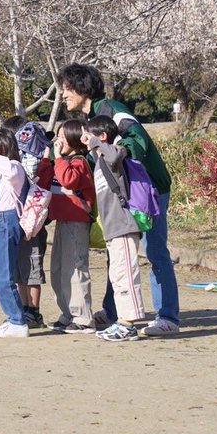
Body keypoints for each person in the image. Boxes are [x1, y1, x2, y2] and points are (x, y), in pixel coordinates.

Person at [58, 63, 179, 337]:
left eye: (66, 89)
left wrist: (118, 152)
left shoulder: (112, 109)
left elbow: (137, 138)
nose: (63, 95)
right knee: (119, 251)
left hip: (147, 188)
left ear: (82, 87)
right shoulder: (89, 121)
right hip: (124, 194)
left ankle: (167, 316)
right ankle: (113, 311)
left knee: (155, 251)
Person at [82, 116, 146, 341]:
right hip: (112, 228)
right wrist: (92, 144)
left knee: (127, 275)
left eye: (90, 135)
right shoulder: (100, 162)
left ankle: (129, 325)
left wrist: (95, 142)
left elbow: (115, 152)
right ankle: (121, 321)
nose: (86, 140)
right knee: (117, 276)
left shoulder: (112, 155)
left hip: (124, 225)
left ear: (102, 137)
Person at [3, 116, 53, 328]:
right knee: (18, 271)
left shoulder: (40, 163)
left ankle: (34, 311)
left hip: (33, 225)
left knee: (31, 270)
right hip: (18, 223)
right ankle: (23, 309)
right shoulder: (14, 164)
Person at [47, 119, 96, 333]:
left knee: (75, 269)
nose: (58, 141)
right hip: (62, 221)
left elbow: (68, 181)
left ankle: (83, 317)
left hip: (77, 222)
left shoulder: (78, 162)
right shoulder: (61, 161)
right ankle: (67, 313)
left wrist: (58, 158)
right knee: (59, 270)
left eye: (63, 136)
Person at [0, 128, 29, 338]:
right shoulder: (3, 172)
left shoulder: (15, 167)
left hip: (6, 223)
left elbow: (10, 172)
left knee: (3, 276)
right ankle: (13, 319)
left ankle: (18, 321)